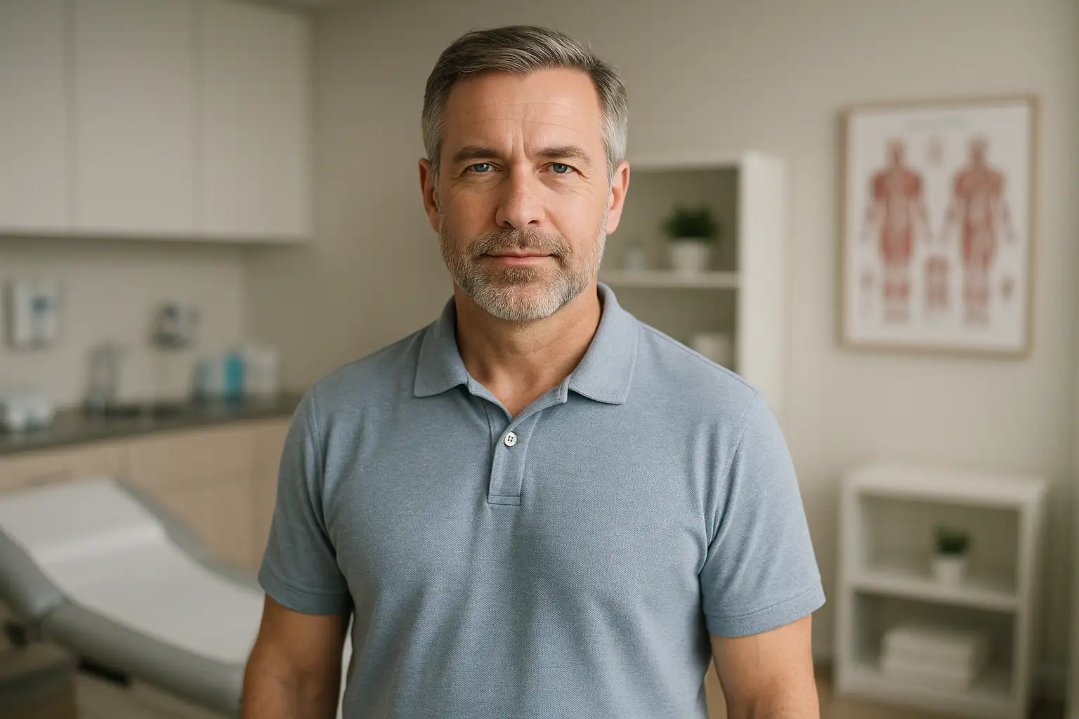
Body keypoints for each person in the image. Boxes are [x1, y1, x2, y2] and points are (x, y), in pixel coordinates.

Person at [242, 25, 824, 719]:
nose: (519, 209)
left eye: (560, 167)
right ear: (431, 193)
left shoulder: (726, 426)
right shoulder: (336, 416)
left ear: (612, 195)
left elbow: (769, 699)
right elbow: (292, 678)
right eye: (481, 166)